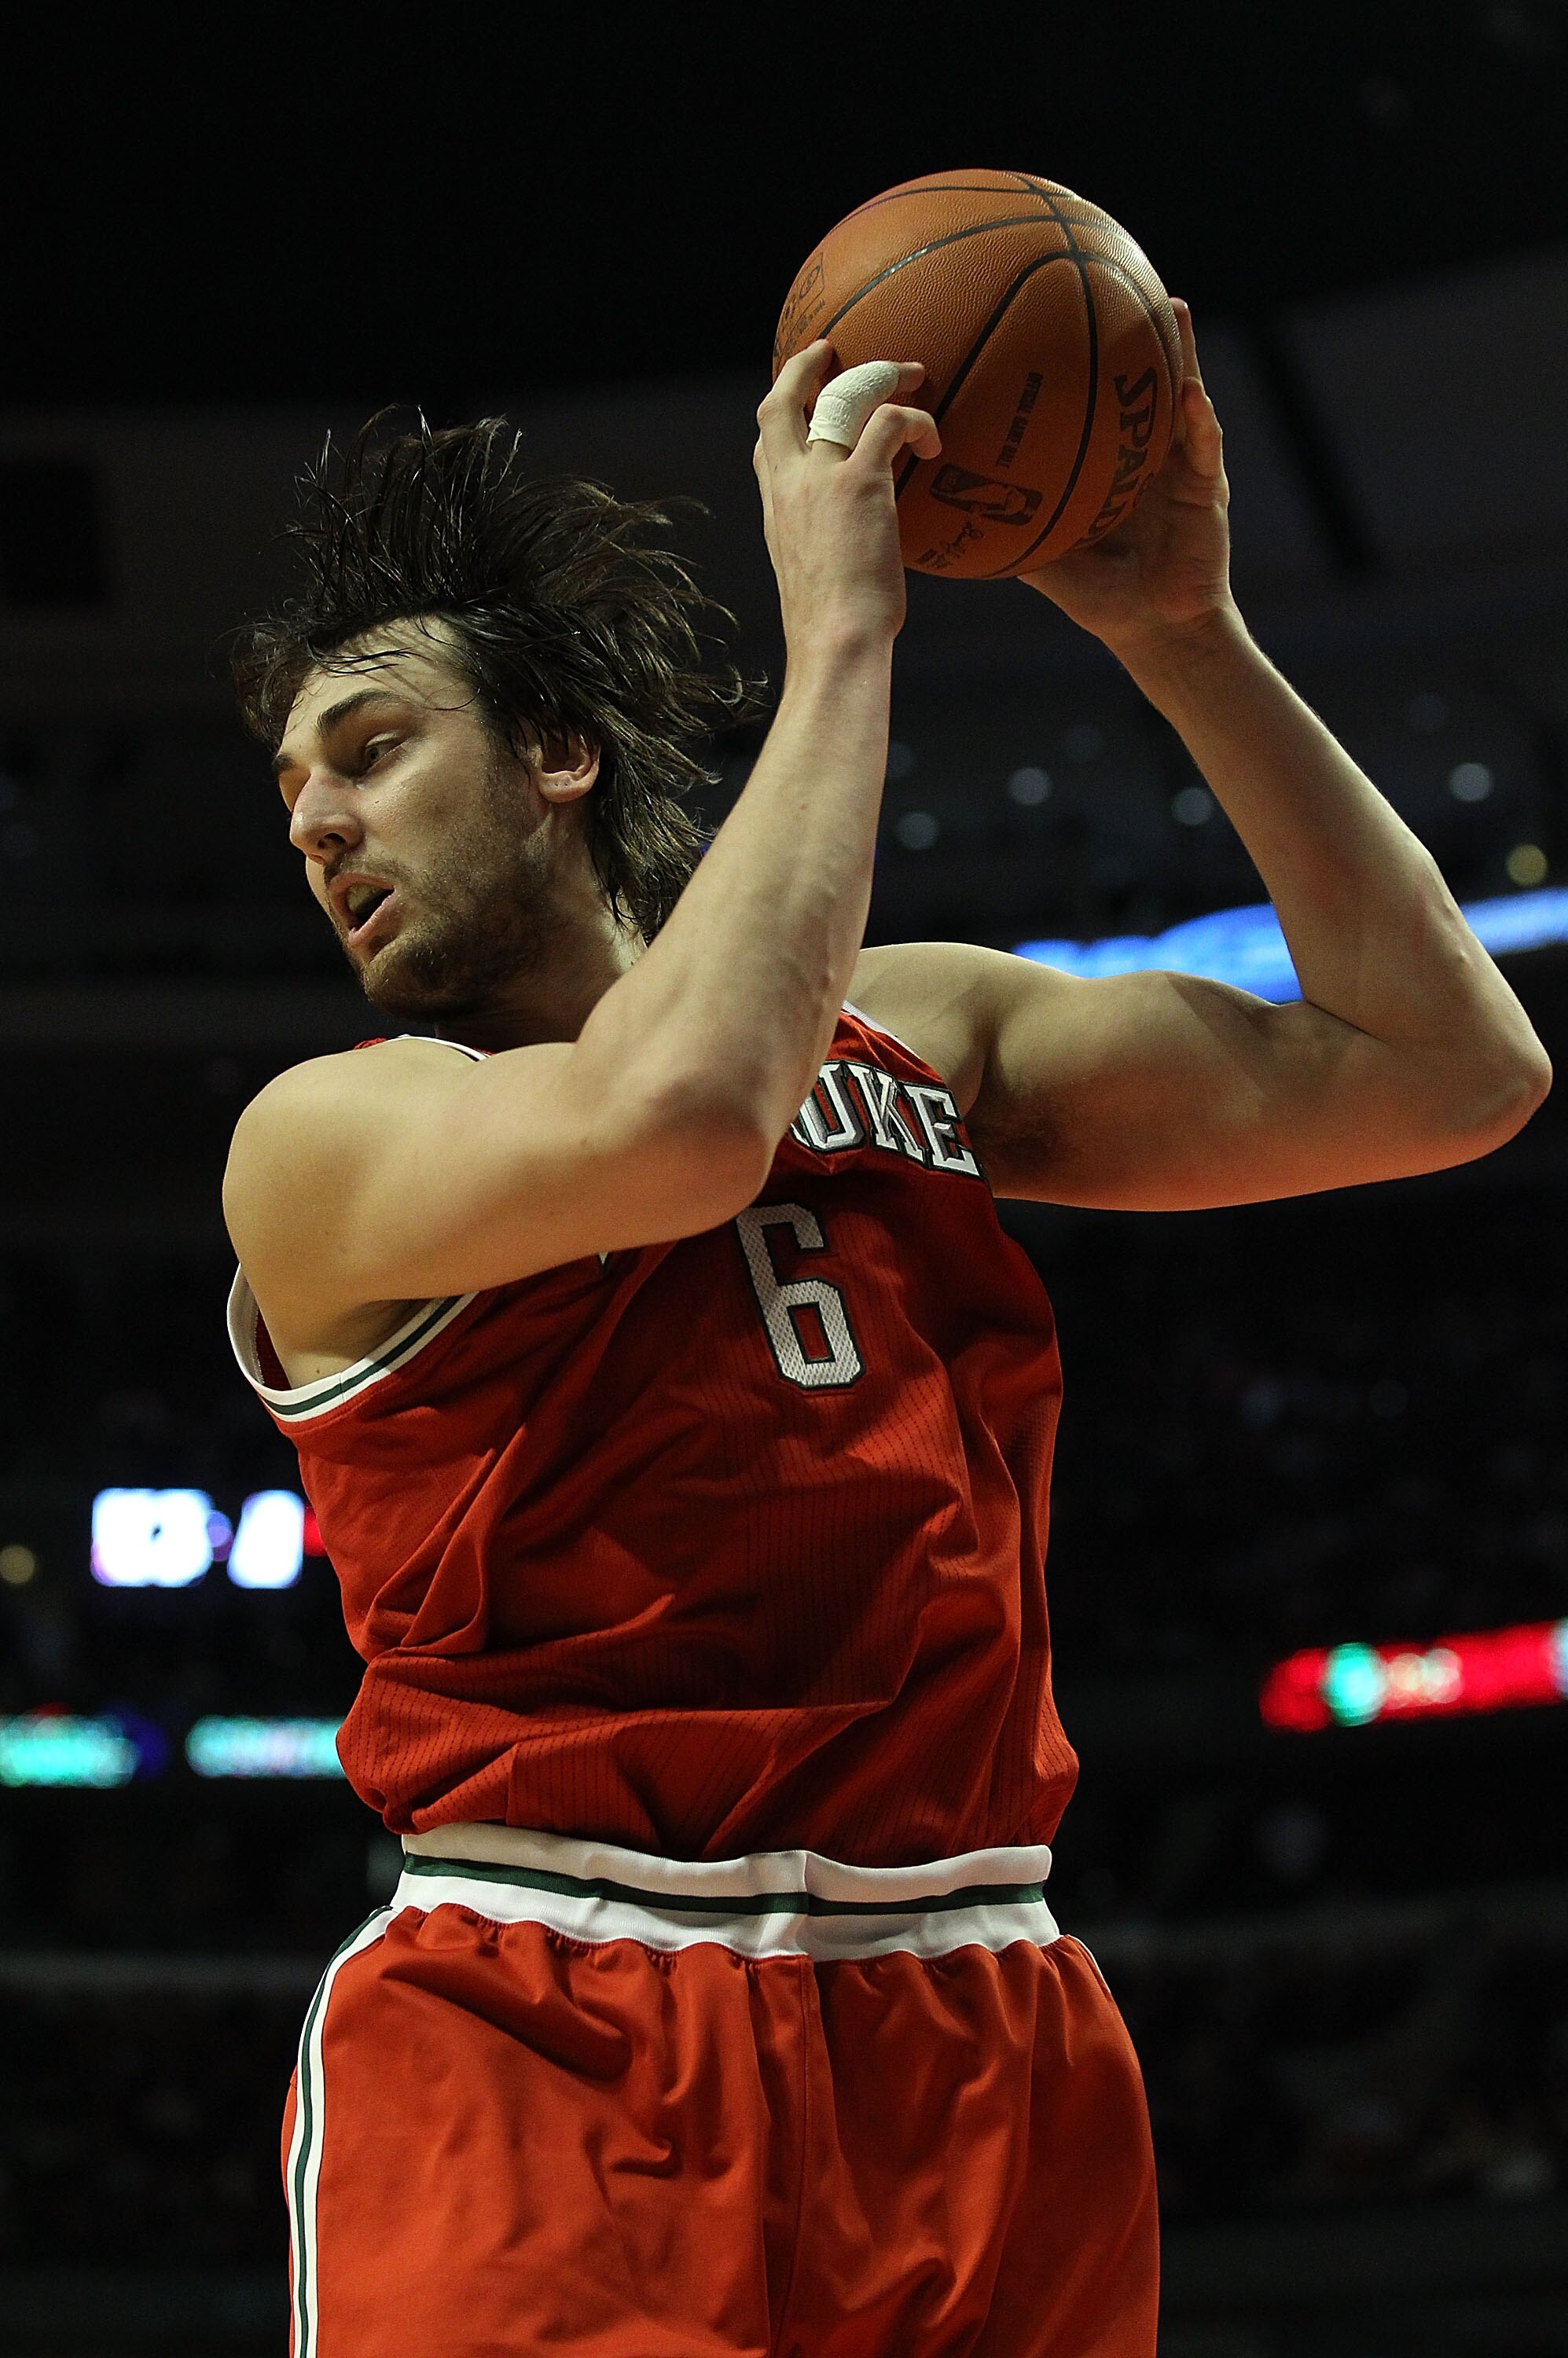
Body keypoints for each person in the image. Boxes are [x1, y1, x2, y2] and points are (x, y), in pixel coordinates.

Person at [222, 310, 1548, 2358]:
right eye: (295, 789)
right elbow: (683, 1121)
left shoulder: (926, 1028)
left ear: (557, 752)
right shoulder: (327, 1139)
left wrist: (1184, 635)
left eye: (372, 749)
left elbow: (1450, 1074)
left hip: (983, 1998)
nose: (316, 821)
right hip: (557, 2003)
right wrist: (843, 631)